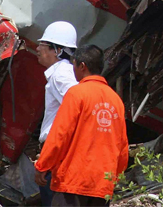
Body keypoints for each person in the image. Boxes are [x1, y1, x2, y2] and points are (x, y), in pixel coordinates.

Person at [34, 45, 129, 206]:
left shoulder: (77, 94)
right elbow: (122, 147)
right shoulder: (116, 101)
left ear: (82, 66)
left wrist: (43, 165)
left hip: (73, 183)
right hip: (101, 187)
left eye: (74, 66)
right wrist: (113, 179)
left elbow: (60, 135)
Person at [35, 21, 80, 206]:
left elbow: (77, 111)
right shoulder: (62, 73)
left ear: (57, 50)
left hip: (57, 154)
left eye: (43, 45)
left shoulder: (62, 75)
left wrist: (49, 158)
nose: (37, 48)